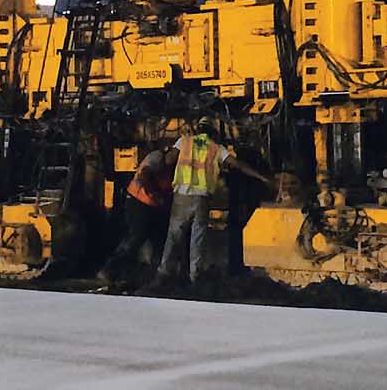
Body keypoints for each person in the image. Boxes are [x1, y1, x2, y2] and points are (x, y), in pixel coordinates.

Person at [149, 123, 271, 291]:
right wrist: (262, 177)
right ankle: (195, 278)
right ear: (213, 133)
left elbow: (169, 160)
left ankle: (162, 275)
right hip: (202, 198)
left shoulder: (184, 141)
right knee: (197, 239)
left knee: (174, 236)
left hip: (181, 197)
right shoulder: (215, 148)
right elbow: (238, 165)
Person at [106, 142, 175, 283]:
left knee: (158, 239)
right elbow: (145, 176)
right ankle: (111, 269)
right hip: (138, 202)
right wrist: (157, 195)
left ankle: (154, 276)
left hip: (153, 206)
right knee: (137, 236)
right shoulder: (157, 158)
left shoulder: (173, 167)